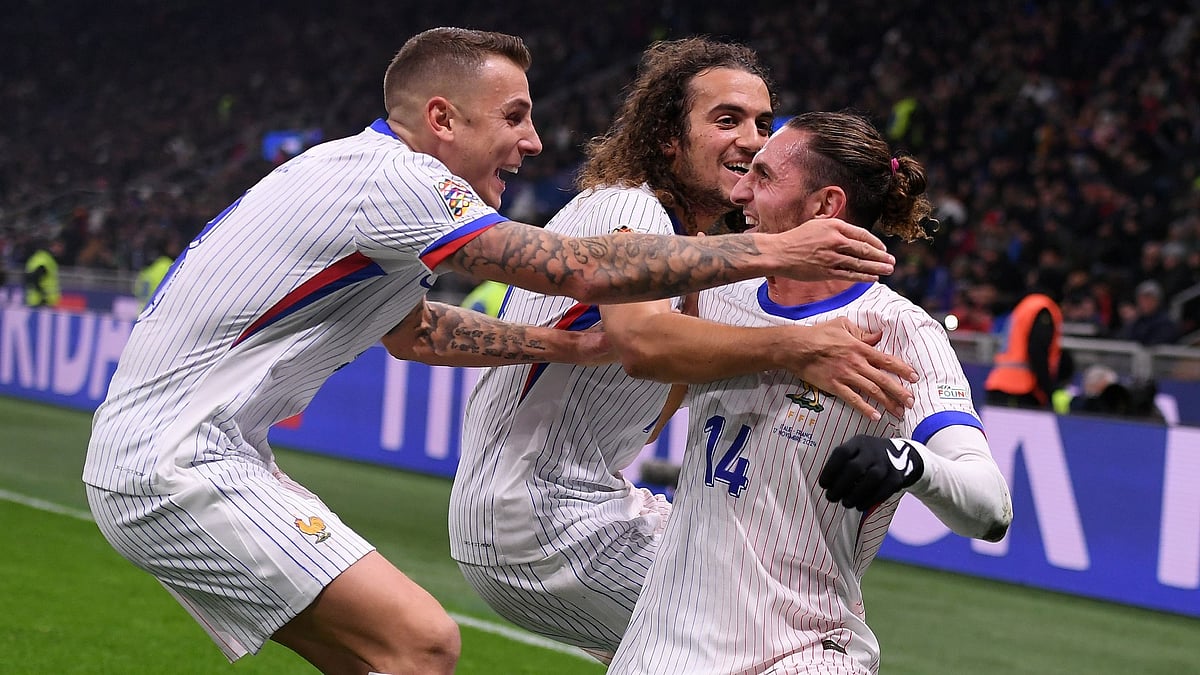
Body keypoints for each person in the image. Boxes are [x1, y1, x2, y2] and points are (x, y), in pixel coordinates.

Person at [81, 28, 897, 675]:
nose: (535, 141)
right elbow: (584, 275)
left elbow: (416, 332)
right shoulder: (396, 179)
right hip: (183, 459)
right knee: (423, 645)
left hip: (200, 452)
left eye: (763, 123)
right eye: (514, 116)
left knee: (386, 658)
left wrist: (555, 345)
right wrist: (776, 269)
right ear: (442, 117)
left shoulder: (378, 198)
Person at [449, 39, 918, 662]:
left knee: (777, 595)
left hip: (570, 505)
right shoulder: (628, 206)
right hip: (543, 518)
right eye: (726, 121)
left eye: (762, 124)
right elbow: (644, 342)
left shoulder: (690, 251)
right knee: (788, 630)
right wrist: (796, 348)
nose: (752, 140)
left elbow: (663, 396)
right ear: (668, 137)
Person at [609, 112, 1012, 674]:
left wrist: (912, 461)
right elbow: (632, 321)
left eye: (765, 177)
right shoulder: (720, 291)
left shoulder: (899, 331)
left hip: (803, 652)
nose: (741, 190)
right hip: (664, 646)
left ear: (825, 206)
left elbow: (991, 508)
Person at [984, 283, 1065, 410]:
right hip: (1021, 388)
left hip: (1000, 382)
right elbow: (1038, 350)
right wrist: (1048, 389)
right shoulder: (1043, 308)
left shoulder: (1024, 307)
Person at [133, 235, 180, 311]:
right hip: (156, 311)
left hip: (140, 311)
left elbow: (136, 290)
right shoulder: (167, 265)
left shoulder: (147, 268)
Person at [23, 237, 64, 307]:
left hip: (36, 301)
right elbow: (33, 278)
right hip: (41, 303)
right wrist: (43, 296)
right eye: (60, 246)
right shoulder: (45, 259)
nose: (62, 249)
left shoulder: (39, 257)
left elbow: (28, 277)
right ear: (53, 246)